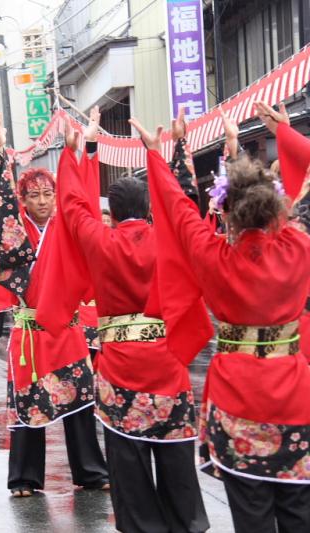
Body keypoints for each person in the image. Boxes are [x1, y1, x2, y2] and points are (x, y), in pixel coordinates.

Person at [131, 101, 310, 532]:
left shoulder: (211, 255)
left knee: (250, 510)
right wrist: (286, 135)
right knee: (300, 508)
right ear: (276, 210)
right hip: (294, 390)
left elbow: (177, 209)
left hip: (236, 393)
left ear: (225, 212)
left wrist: (157, 155)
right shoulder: (298, 246)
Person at [51, 108, 208, 532]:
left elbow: (71, 205)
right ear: (149, 206)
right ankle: (186, 521)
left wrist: (77, 152)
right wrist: (161, 153)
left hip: (119, 360)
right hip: (165, 358)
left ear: (114, 212)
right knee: (174, 451)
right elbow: (184, 209)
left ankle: (141, 524)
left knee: (128, 455)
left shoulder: (100, 240)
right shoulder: (167, 240)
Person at [0, 112, 109, 496]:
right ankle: (24, 478)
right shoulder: (16, 232)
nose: (42, 201)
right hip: (30, 336)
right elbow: (1, 202)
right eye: (33, 196)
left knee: (79, 404)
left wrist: (86, 149)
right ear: (22, 200)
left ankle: (90, 471)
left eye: (47, 194)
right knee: (28, 409)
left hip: (68, 329)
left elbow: (84, 199)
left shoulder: (67, 226)